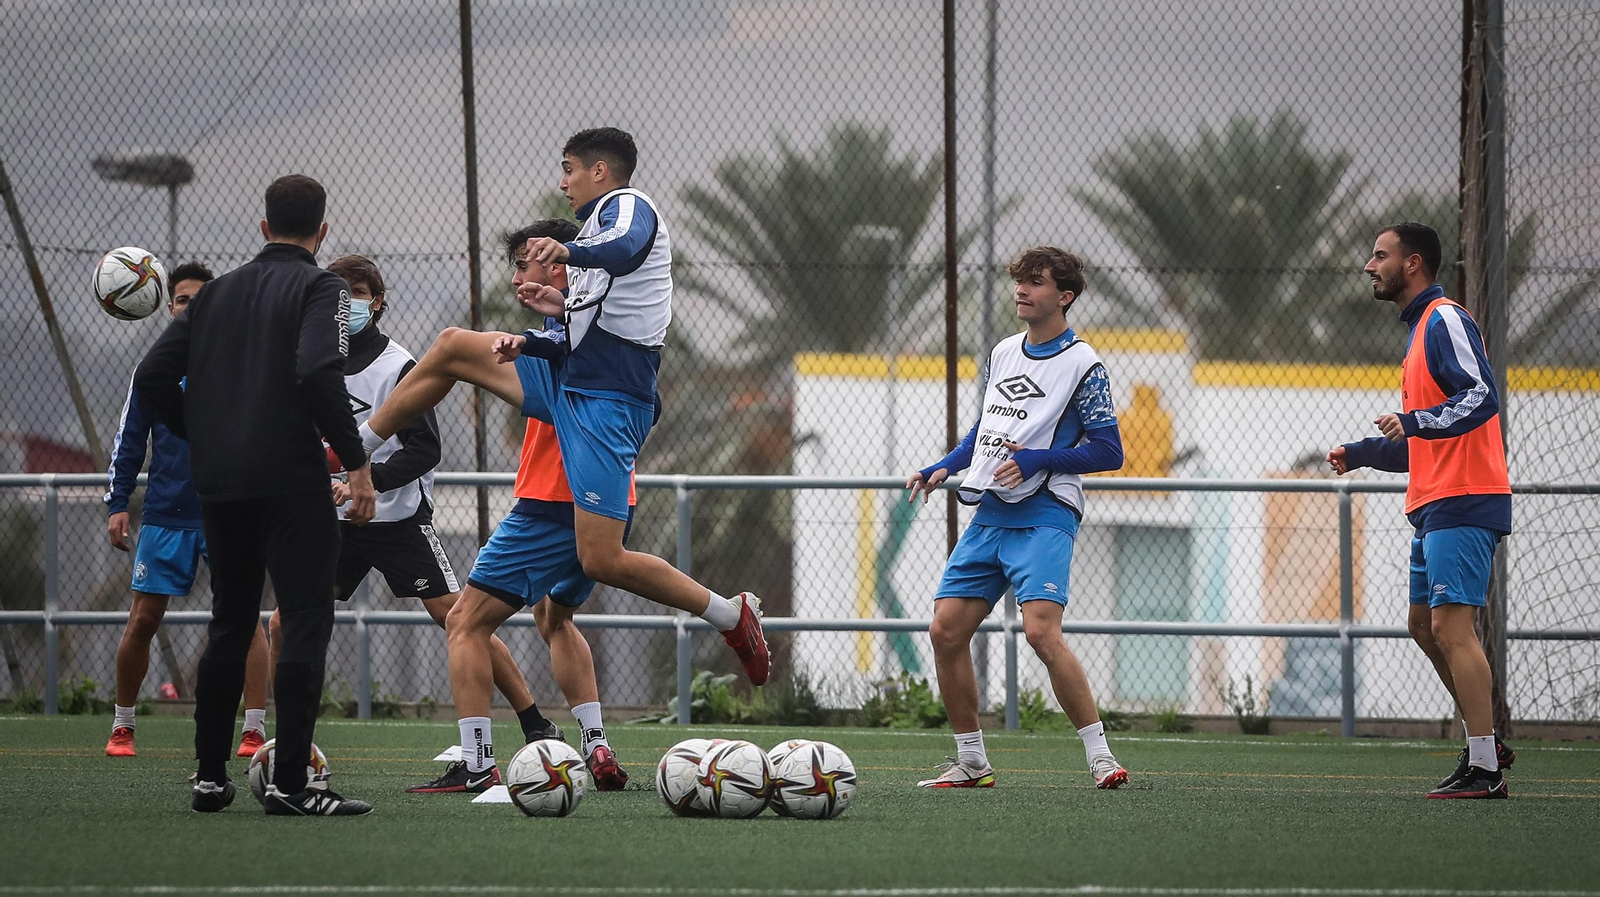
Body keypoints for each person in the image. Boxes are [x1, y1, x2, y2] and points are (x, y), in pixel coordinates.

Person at [359, 127, 769, 685]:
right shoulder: (593, 240)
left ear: (600, 171)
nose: (563, 181)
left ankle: (729, 614)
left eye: (570, 168)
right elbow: (575, 337)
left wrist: (568, 251)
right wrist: (534, 333)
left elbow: (625, 250)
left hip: (606, 402)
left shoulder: (628, 207)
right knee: (453, 345)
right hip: (570, 385)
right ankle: (354, 446)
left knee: (599, 561)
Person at [135, 174, 376, 816]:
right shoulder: (320, 285)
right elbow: (319, 371)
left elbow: (152, 375)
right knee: (303, 619)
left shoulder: (213, 295)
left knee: (231, 621)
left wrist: (203, 431)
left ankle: (210, 779)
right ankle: (291, 786)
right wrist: (355, 464)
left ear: (263, 227)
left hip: (223, 483)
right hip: (292, 481)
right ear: (322, 232)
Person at [263, 254, 561, 754]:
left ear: (376, 303)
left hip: (396, 519)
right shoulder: (309, 362)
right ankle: (282, 735)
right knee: (284, 619)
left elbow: (425, 449)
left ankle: (534, 721)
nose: (347, 303)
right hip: (331, 524)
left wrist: (367, 483)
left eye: (358, 293)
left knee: (460, 615)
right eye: (339, 293)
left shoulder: (398, 365)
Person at [386, 219, 637, 793]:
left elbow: (462, 354)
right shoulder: (602, 325)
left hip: (551, 502)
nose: (518, 275)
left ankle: (477, 764)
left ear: (557, 265)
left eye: (525, 262)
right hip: (610, 501)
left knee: (465, 622)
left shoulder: (559, 337)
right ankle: (596, 745)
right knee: (556, 617)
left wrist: (366, 448)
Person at [906, 247, 1129, 790]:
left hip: (1046, 513)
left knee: (1040, 634)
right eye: (1020, 281)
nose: (1022, 290)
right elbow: (983, 433)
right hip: (990, 514)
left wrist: (1037, 459)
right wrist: (943, 466)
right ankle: (972, 762)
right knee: (945, 630)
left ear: (1066, 296)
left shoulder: (1084, 365)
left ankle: (1101, 758)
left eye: (1036, 282)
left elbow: (1109, 452)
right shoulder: (1004, 352)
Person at [1327, 222, 1515, 799]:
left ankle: (1485, 767)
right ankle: (1487, 744)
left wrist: (1412, 421)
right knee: (1422, 626)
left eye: (1379, 255)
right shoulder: (1417, 336)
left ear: (1412, 264)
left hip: (1465, 499)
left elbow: (1482, 396)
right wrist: (1361, 453)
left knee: (1450, 628)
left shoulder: (1445, 319)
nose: (1368, 265)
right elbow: (1423, 442)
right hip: (1435, 505)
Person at [104, 262, 269, 760]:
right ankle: (123, 726)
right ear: (168, 307)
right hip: (166, 516)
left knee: (246, 620)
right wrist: (117, 504)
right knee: (143, 619)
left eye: (200, 299)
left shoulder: (240, 364)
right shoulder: (154, 369)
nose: (190, 307)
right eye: (181, 300)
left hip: (231, 509)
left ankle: (254, 730)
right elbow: (130, 440)